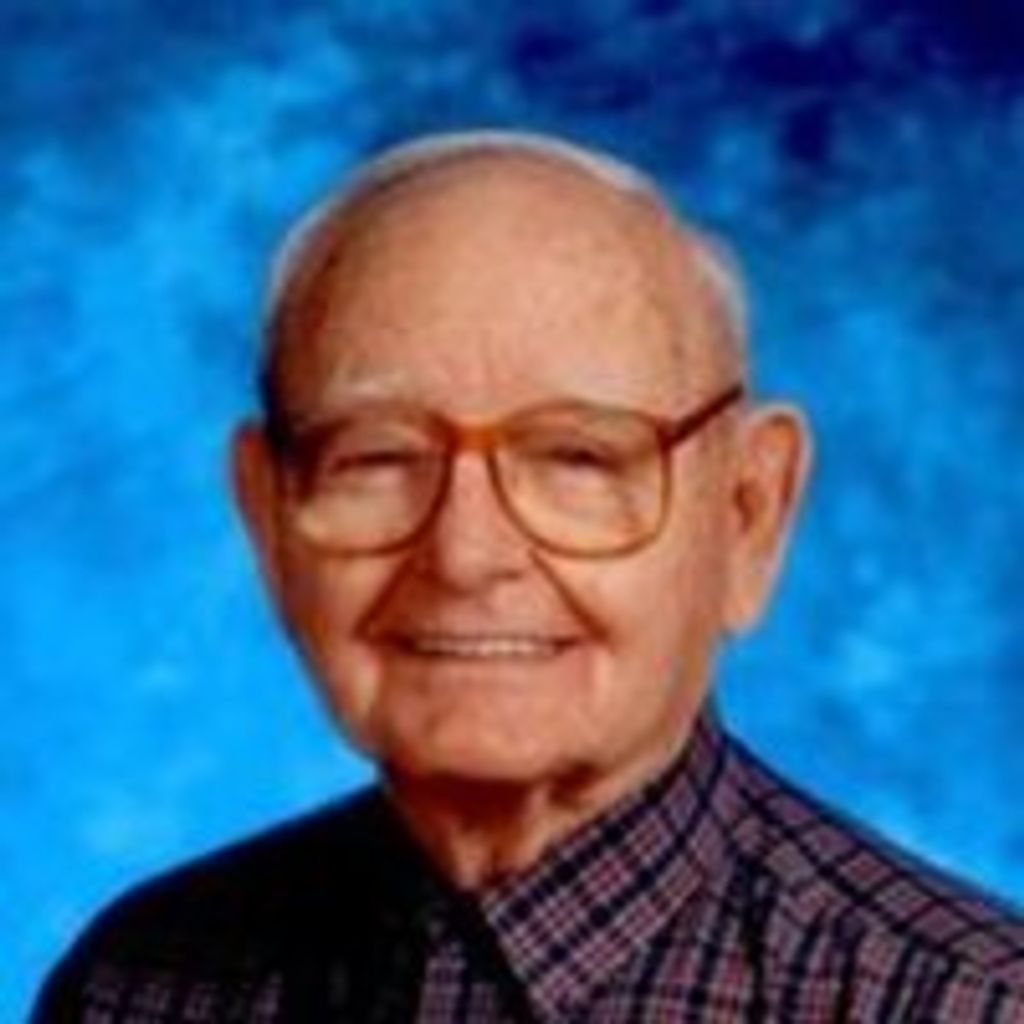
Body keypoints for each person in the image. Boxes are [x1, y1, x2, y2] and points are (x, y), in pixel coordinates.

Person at [33, 130, 1024, 1023]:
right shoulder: (137, 985)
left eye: (577, 458)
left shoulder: (963, 1002)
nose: (466, 555)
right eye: (376, 456)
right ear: (266, 516)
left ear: (747, 514)